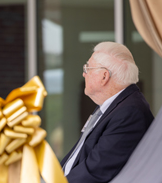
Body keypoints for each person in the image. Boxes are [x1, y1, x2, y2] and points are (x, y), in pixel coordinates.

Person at [61, 42, 154, 183]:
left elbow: (96, 171)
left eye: (87, 68)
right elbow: (79, 156)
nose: (83, 73)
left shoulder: (129, 113)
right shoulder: (113, 106)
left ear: (104, 76)